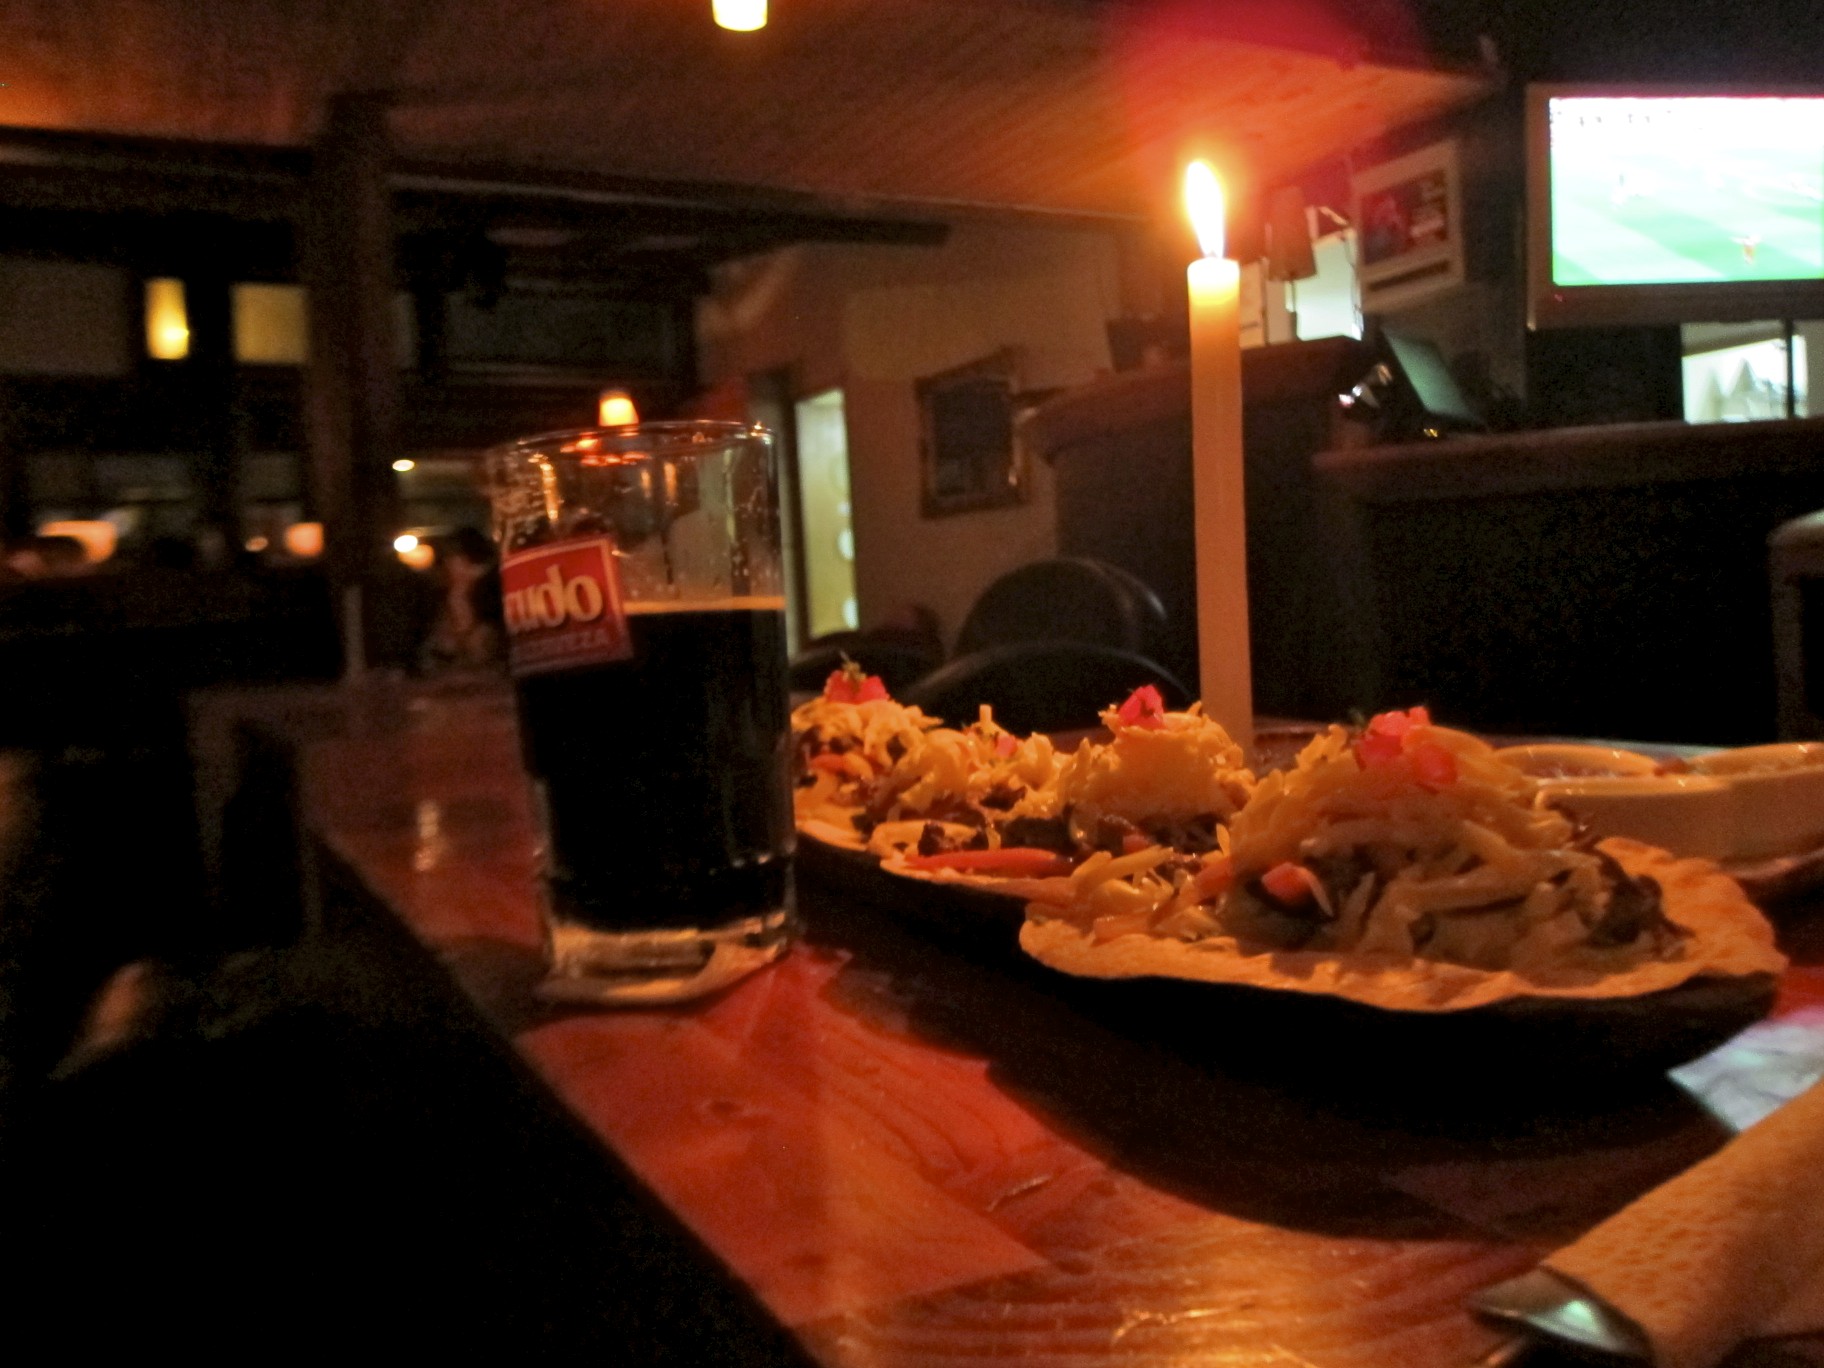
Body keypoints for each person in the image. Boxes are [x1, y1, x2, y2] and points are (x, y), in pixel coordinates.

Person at [420, 527, 504, 673]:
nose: (447, 566)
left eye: (451, 558)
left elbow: (482, 654)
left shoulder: (493, 594)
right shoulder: (444, 599)